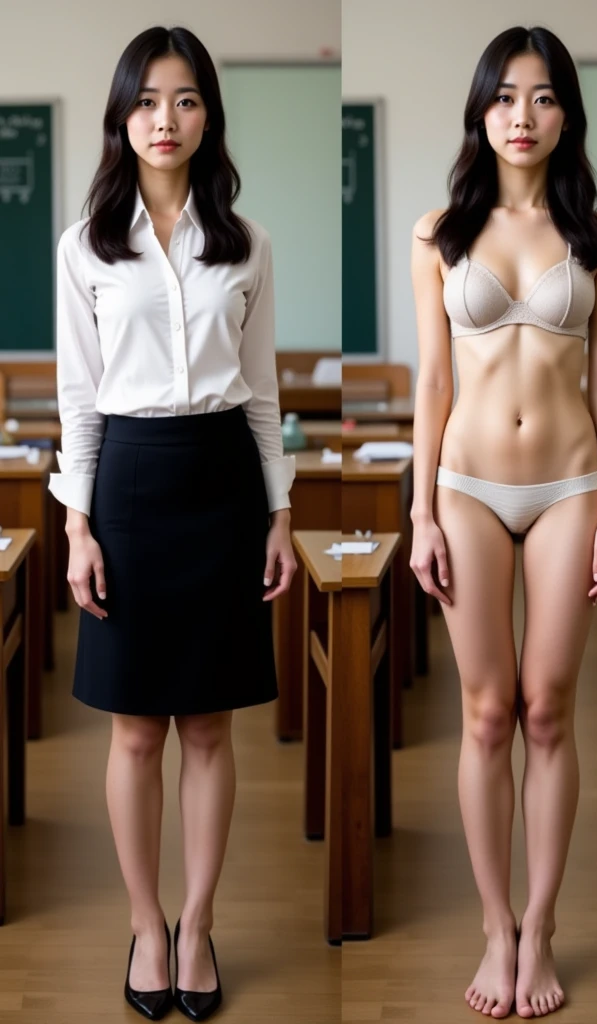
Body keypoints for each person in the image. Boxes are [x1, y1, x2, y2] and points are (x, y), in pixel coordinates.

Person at [48, 25, 297, 1023]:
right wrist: (76, 526)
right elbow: (77, 398)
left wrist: (280, 515)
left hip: (223, 480)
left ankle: (198, 923)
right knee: (137, 730)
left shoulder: (246, 242)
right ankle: (146, 924)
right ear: (122, 114)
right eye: (148, 100)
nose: (166, 119)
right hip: (131, 486)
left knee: (207, 723)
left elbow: (268, 395)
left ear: (209, 116)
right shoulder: (84, 248)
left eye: (186, 99)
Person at [410, 25, 597, 1020]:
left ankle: (541, 925)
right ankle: (492, 925)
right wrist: (419, 512)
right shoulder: (439, 234)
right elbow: (433, 382)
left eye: (541, 98)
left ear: (565, 113)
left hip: (567, 487)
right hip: (465, 484)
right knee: (486, 711)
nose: (521, 116)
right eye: (503, 97)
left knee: (547, 709)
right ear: (480, 110)